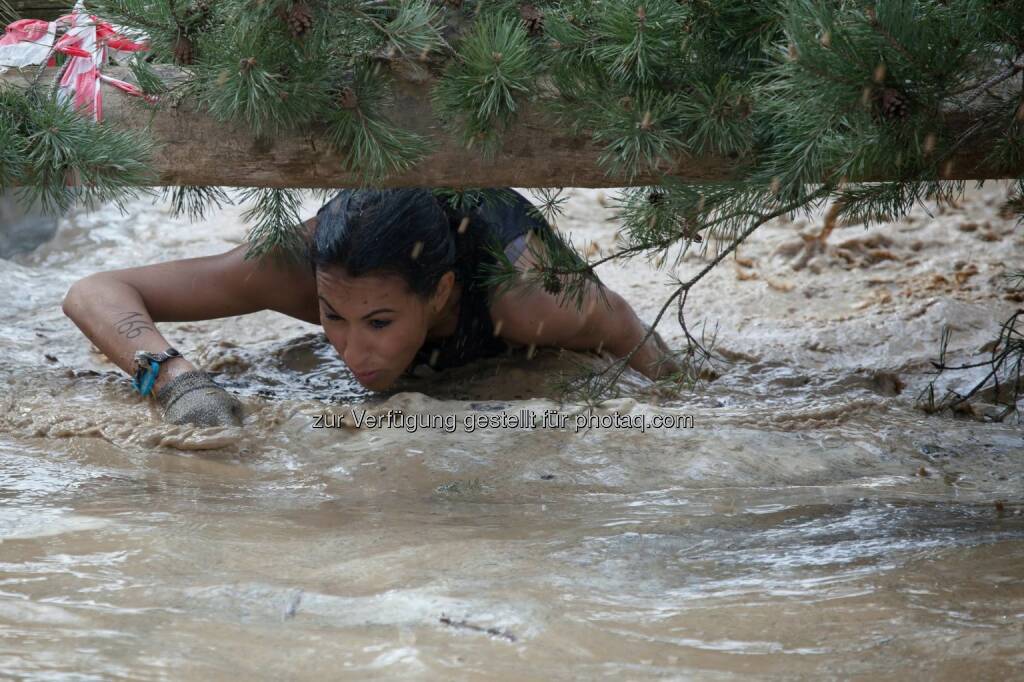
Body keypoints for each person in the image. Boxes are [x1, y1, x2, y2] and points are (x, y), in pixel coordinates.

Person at [62, 188, 679, 427]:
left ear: (439, 295)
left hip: (500, 238)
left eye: (379, 323)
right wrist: (174, 380)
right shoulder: (300, 270)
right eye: (334, 318)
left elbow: (626, 329)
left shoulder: (529, 302)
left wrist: (678, 407)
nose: (352, 353)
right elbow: (92, 292)